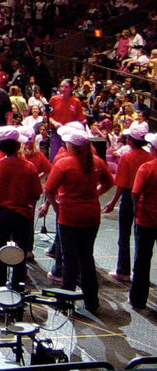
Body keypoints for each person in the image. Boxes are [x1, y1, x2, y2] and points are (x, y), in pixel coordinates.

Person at [44, 125, 114, 313]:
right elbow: (109, 182)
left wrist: (57, 206)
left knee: (69, 258)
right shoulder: (97, 162)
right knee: (87, 257)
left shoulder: (64, 164)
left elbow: (49, 189)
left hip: (70, 216)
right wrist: (95, 195)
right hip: (91, 214)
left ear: (71, 146)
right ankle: (92, 300)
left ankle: (65, 299)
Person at [0, 126, 42, 290]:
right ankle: (18, 288)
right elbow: (36, 193)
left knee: (0, 253)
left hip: (1, 214)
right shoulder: (29, 167)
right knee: (20, 254)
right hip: (22, 215)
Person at [104, 122, 151, 282]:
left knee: (124, 235)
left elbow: (121, 184)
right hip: (145, 200)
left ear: (131, 140)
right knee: (141, 238)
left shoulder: (127, 157)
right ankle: (138, 273)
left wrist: (112, 203)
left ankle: (123, 269)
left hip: (128, 197)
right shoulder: (149, 157)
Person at [129, 133, 157, 310]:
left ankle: (139, 300)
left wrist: (136, 210)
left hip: (146, 219)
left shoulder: (147, 168)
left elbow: (135, 192)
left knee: (142, 260)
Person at [48, 79, 85, 161]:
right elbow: (47, 116)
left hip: (70, 133)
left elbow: (80, 119)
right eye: (62, 86)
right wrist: (55, 123)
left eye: (66, 87)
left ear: (72, 88)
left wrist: (70, 125)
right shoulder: (54, 99)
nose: (63, 89)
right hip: (55, 131)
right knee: (54, 155)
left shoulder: (76, 101)